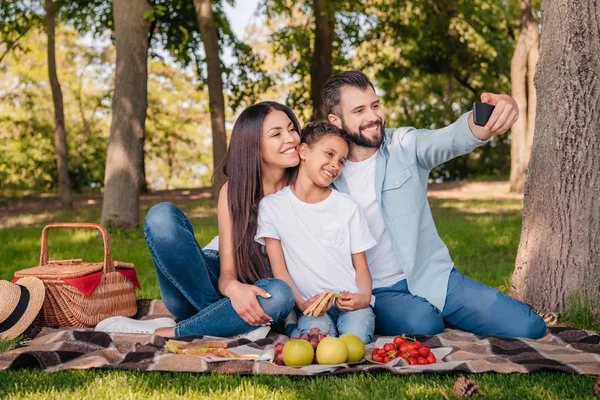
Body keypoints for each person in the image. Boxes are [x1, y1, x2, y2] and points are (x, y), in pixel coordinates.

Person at [321, 70, 547, 339]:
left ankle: (429, 309)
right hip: (377, 291)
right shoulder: (326, 172)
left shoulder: (404, 145)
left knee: (530, 327)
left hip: (434, 277)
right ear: (336, 121)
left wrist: (491, 114)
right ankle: (396, 314)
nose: (372, 117)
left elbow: (451, 138)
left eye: (375, 105)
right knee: (424, 323)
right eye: (359, 110)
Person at [95, 102, 300, 337]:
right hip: (202, 284)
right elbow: (227, 275)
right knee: (161, 216)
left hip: (262, 290)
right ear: (253, 145)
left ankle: (171, 332)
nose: (291, 138)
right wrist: (234, 290)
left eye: (292, 129)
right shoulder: (233, 191)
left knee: (281, 295)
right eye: (277, 134)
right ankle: (227, 322)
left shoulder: (305, 187)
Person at [255, 122, 377, 344]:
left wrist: (364, 298)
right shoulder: (272, 207)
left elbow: (361, 268)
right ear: (303, 152)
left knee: (355, 340)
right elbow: (279, 271)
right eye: (329, 154)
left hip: (350, 304)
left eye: (340, 161)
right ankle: (293, 324)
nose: (334, 165)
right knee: (318, 341)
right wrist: (301, 303)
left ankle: (296, 328)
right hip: (311, 306)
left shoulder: (347, 206)